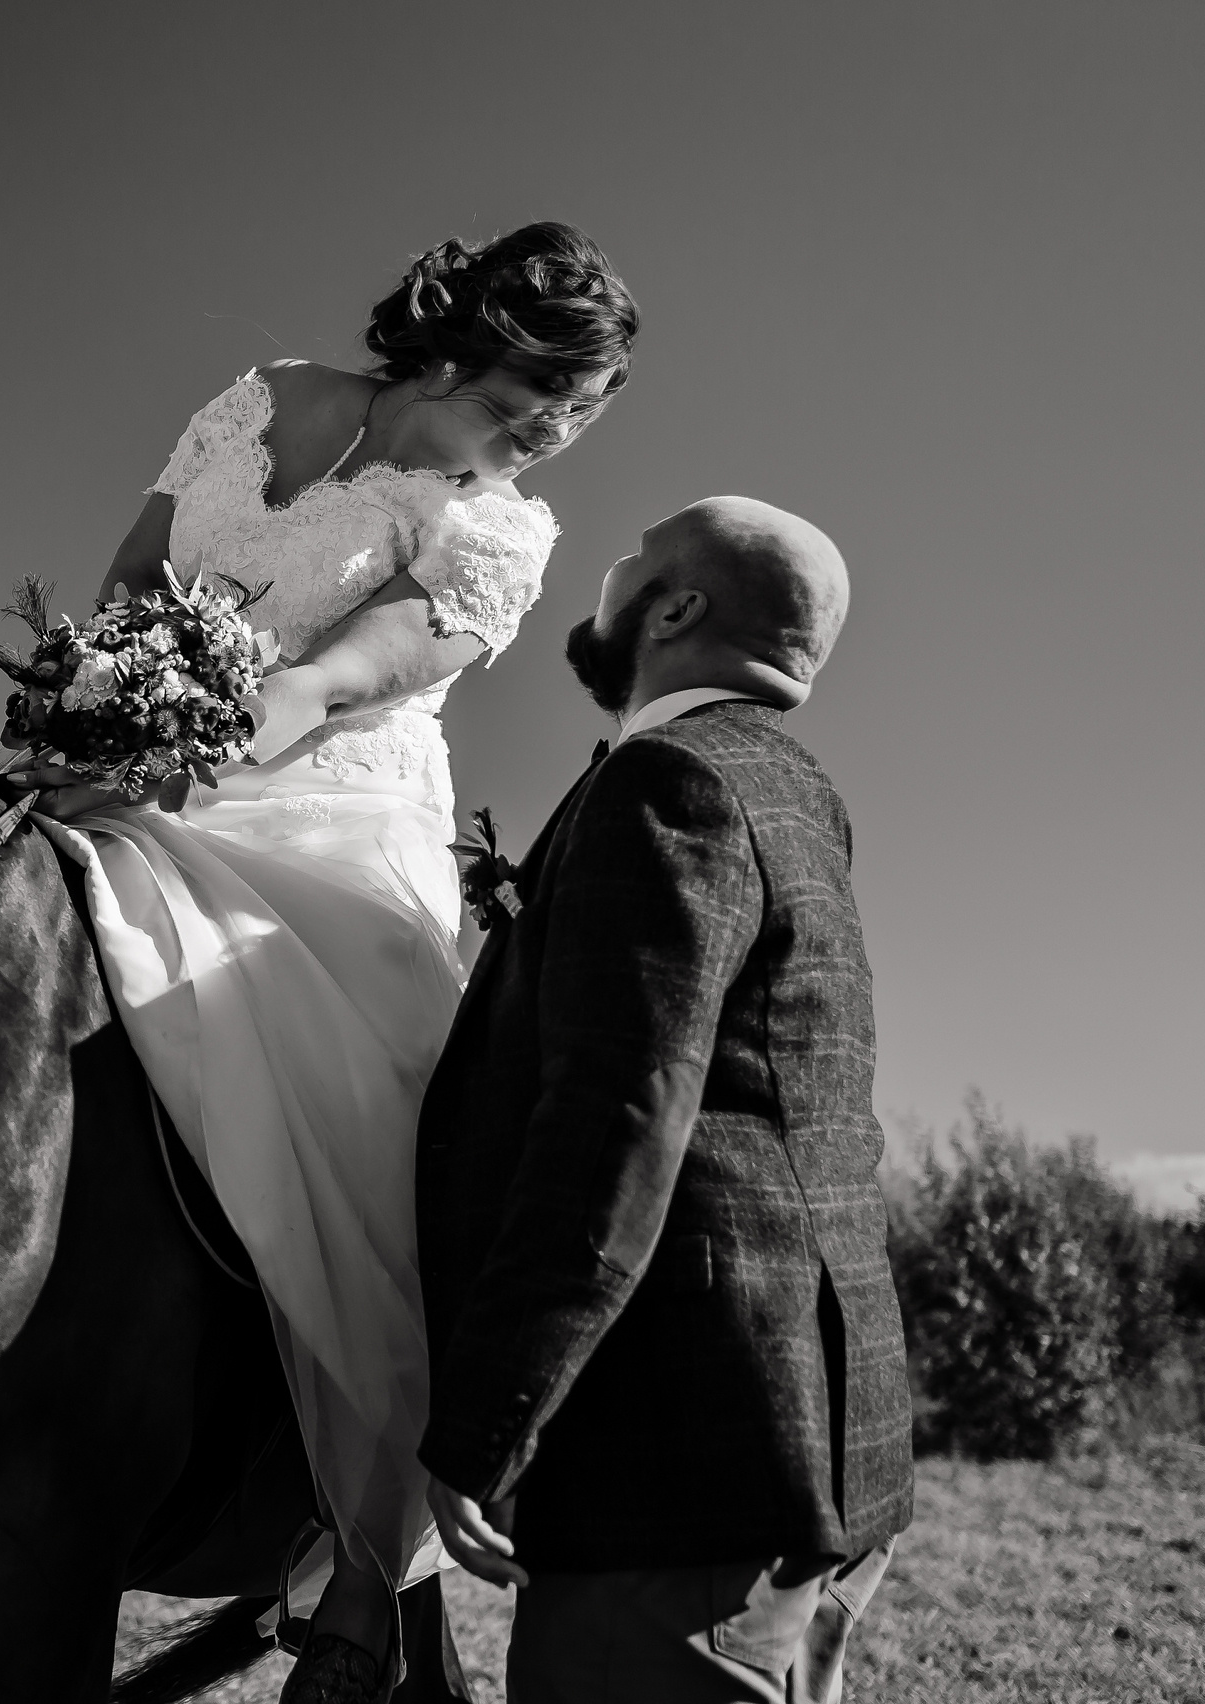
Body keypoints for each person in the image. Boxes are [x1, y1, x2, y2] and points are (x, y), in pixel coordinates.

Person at [13, 221, 638, 1702]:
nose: (557, 426)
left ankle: (368, 1568)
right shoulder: (268, 397)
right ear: (470, 329)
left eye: (587, 408)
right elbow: (134, 571)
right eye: (550, 383)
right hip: (129, 754)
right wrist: (85, 700)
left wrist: (169, 740)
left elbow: (331, 681)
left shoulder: (496, 532)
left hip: (327, 812)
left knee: (361, 1110)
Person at [415, 498, 914, 1704]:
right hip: (820, 1439)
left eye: (634, 555)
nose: (613, 571)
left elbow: (615, 1124)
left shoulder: (667, 783)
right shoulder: (791, 785)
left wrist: (489, 1423)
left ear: (677, 607)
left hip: (681, 1453)